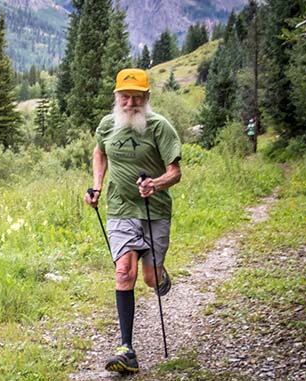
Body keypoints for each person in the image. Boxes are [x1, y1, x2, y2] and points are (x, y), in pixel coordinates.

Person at [84, 68, 182, 374]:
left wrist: (155, 183)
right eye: (125, 97)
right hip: (120, 208)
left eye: (137, 97)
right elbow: (100, 152)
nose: (130, 103)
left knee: (150, 279)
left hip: (155, 209)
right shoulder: (106, 125)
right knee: (124, 272)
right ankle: (127, 349)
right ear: (117, 97)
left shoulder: (159, 127)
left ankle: (160, 277)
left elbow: (175, 172)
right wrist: (97, 185)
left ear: (146, 97)